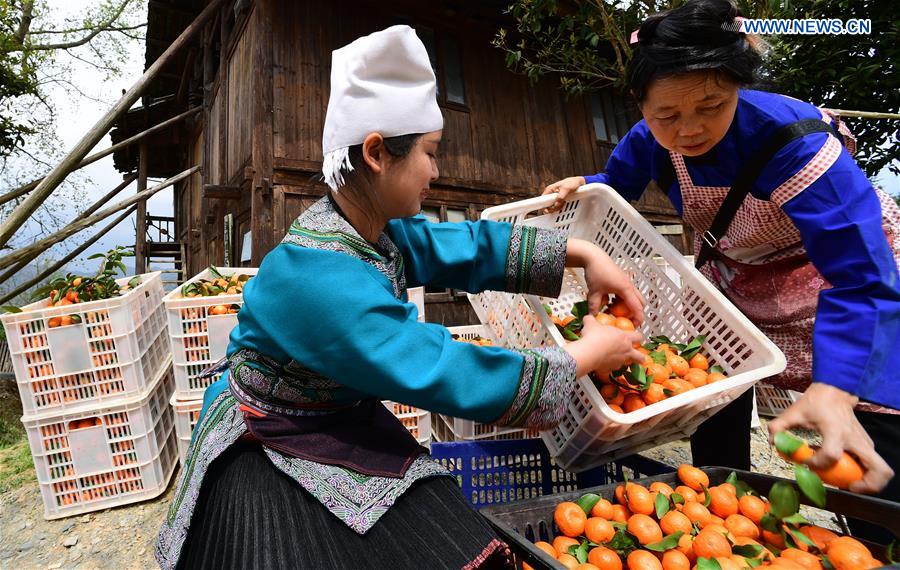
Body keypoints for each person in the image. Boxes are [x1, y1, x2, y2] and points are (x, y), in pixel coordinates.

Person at [156, 25, 647, 569]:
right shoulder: (316, 278)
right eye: (429, 153)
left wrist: (584, 253)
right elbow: (436, 367)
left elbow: (460, 246)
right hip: (273, 437)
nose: (435, 171)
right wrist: (584, 355)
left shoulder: (373, 230)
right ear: (376, 153)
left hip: (338, 414)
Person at [542, 0, 900, 503]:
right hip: (735, 276)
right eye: (666, 114)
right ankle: (723, 500)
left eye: (712, 106)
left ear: (738, 87)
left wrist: (837, 387)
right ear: (640, 104)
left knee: (870, 413)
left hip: (831, 280)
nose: (688, 129)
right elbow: (616, 185)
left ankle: (877, 521)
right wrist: (585, 183)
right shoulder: (649, 139)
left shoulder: (798, 144)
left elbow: (863, 276)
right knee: (717, 384)